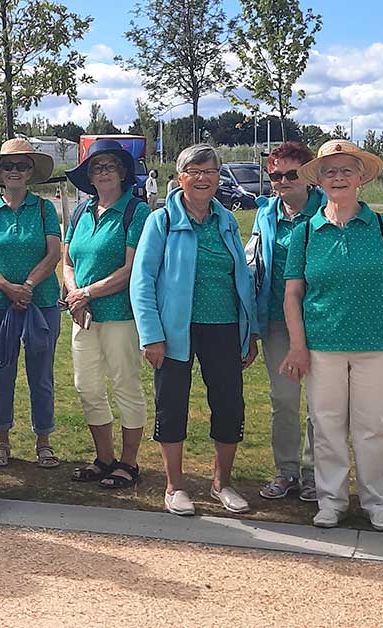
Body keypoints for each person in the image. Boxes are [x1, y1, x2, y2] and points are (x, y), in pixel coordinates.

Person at [280, 140, 383, 532]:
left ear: (361, 178)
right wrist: (297, 345)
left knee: (372, 426)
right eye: (330, 171)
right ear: (319, 180)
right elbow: (293, 293)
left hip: (376, 343)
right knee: (326, 425)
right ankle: (332, 500)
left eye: (346, 171)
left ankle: (377, 502)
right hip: (323, 345)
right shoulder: (306, 233)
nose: (338, 177)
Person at [130, 143, 260, 517]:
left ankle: (223, 483)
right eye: (195, 171)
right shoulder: (162, 221)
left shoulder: (227, 221)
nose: (203, 178)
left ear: (219, 178)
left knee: (229, 404)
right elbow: (142, 280)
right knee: (171, 405)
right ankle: (175, 486)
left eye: (210, 172)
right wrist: (151, 334)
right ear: (180, 178)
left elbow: (240, 276)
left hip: (224, 326)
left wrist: (249, 331)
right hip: (174, 331)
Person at [62, 140, 151, 489]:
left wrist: (85, 293)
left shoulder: (136, 212)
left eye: (111, 165)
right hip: (83, 315)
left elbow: (131, 269)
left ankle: (129, 463)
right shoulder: (82, 212)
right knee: (87, 386)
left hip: (120, 313)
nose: (103, 172)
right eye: (96, 167)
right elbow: (68, 261)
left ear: (124, 172)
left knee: (126, 384)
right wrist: (74, 294)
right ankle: (104, 458)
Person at [0, 138, 62, 469]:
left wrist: (26, 286)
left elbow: (53, 252)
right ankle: (2, 441)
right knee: (1, 374)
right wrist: (6, 287)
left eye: (22, 166)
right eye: (8, 165)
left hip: (41, 303)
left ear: (30, 172)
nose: (14, 171)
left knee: (41, 374)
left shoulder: (43, 209)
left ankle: (44, 441)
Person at [252, 142, 324, 503]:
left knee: (320, 401)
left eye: (291, 174)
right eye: (275, 175)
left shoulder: (328, 210)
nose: (282, 181)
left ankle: (315, 474)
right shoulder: (264, 213)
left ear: (308, 175)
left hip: (324, 319)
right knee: (283, 398)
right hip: (278, 321)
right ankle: (287, 471)